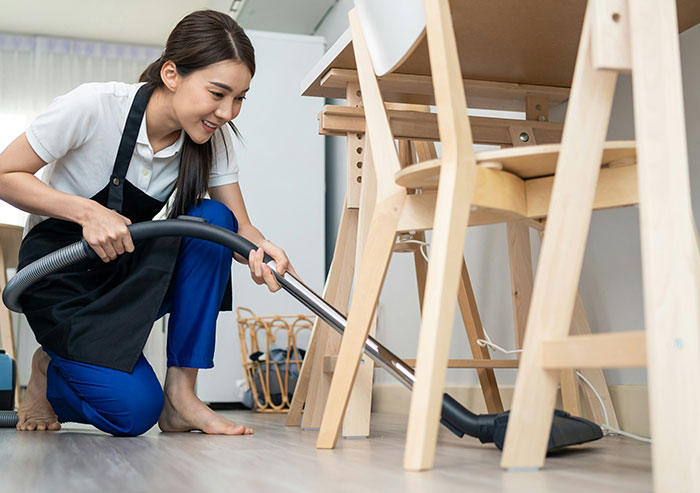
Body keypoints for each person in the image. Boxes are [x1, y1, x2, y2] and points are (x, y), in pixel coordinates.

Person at [0, 10, 294, 437]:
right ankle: (49, 373)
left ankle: (181, 396)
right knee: (134, 414)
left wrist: (262, 248)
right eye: (218, 93)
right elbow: (5, 174)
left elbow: (240, 230)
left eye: (240, 98)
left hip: (119, 263)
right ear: (172, 74)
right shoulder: (95, 106)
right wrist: (87, 212)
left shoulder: (212, 139)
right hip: (60, 274)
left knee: (214, 219)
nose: (228, 112)